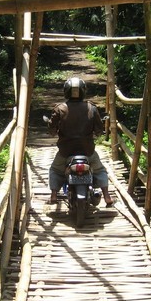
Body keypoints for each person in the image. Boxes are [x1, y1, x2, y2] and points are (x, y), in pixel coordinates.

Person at [47, 77, 113, 206]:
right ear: (84, 91)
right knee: (99, 170)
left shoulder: (59, 109)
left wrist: (54, 129)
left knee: (55, 170)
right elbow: (99, 130)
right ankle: (107, 196)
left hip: (66, 151)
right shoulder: (91, 108)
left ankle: (54, 195)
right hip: (87, 150)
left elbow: (52, 130)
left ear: (66, 91)